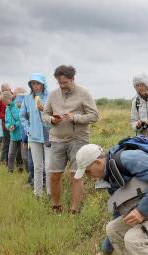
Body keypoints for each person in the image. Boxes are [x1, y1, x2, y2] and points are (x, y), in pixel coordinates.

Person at [42, 65, 99, 214]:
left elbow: (94, 116)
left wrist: (75, 118)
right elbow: (44, 115)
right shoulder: (53, 95)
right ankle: (56, 206)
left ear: (72, 79)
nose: (62, 86)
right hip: (57, 139)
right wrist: (51, 120)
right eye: (59, 83)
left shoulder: (84, 93)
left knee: (76, 175)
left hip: (78, 140)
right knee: (54, 174)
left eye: (65, 82)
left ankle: (74, 210)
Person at [20, 73, 51, 198]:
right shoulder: (27, 99)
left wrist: (43, 109)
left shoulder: (50, 97)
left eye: (37, 83)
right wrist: (29, 130)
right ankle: (38, 194)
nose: (35, 86)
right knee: (38, 167)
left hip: (49, 136)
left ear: (43, 84)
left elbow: (55, 115)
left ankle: (50, 193)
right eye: (33, 83)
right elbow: (22, 116)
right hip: (34, 138)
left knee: (49, 167)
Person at [4, 91, 24, 173]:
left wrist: (15, 125)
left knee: (21, 154)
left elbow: (22, 119)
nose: (3, 103)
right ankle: (10, 171)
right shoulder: (7, 109)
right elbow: (6, 121)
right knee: (11, 154)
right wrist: (9, 126)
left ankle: (22, 169)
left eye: (4, 101)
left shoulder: (17, 106)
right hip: (13, 135)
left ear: (9, 99)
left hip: (21, 135)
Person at [0, 83, 12, 165]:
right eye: (5, 91)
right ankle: (2, 162)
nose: (7, 92)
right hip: (5, 125)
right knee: (5, 144)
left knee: (15, 145)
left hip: (15, 126)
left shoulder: (13, 97)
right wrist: (6, 117)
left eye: (8, 90)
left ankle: (12, 163)